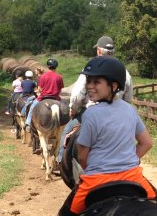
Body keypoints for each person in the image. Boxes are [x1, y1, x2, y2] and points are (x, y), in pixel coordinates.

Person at [43, 56, 157, 216]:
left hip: (96, 181)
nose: (89, 86)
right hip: (133, 178)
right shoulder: (129, 110)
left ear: (114, 86)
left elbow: (83, 157)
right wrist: (130, 160)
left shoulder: (91, 116)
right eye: (89, 81)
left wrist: (101, 167)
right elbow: (147, 143)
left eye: (97, 82)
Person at [57, 36, 133, 164]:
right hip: (117, 114)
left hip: (90, 111)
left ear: (98, 51)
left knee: (66, 132)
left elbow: (77, 95)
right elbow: (128, 99)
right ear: (112, 52)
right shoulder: (125, 72)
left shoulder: (91, 69)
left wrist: (73, 110)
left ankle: (61, 162)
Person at [24, 58, 64, 128]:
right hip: (56, 98)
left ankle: (28, 123)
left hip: (43, 97)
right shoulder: (59, 77)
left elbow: (39, 89)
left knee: (32, 107)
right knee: (65, 107)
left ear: (48, 66)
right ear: (56, 67)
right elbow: (60, 89)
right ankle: (66, 126)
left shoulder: (43, 76)